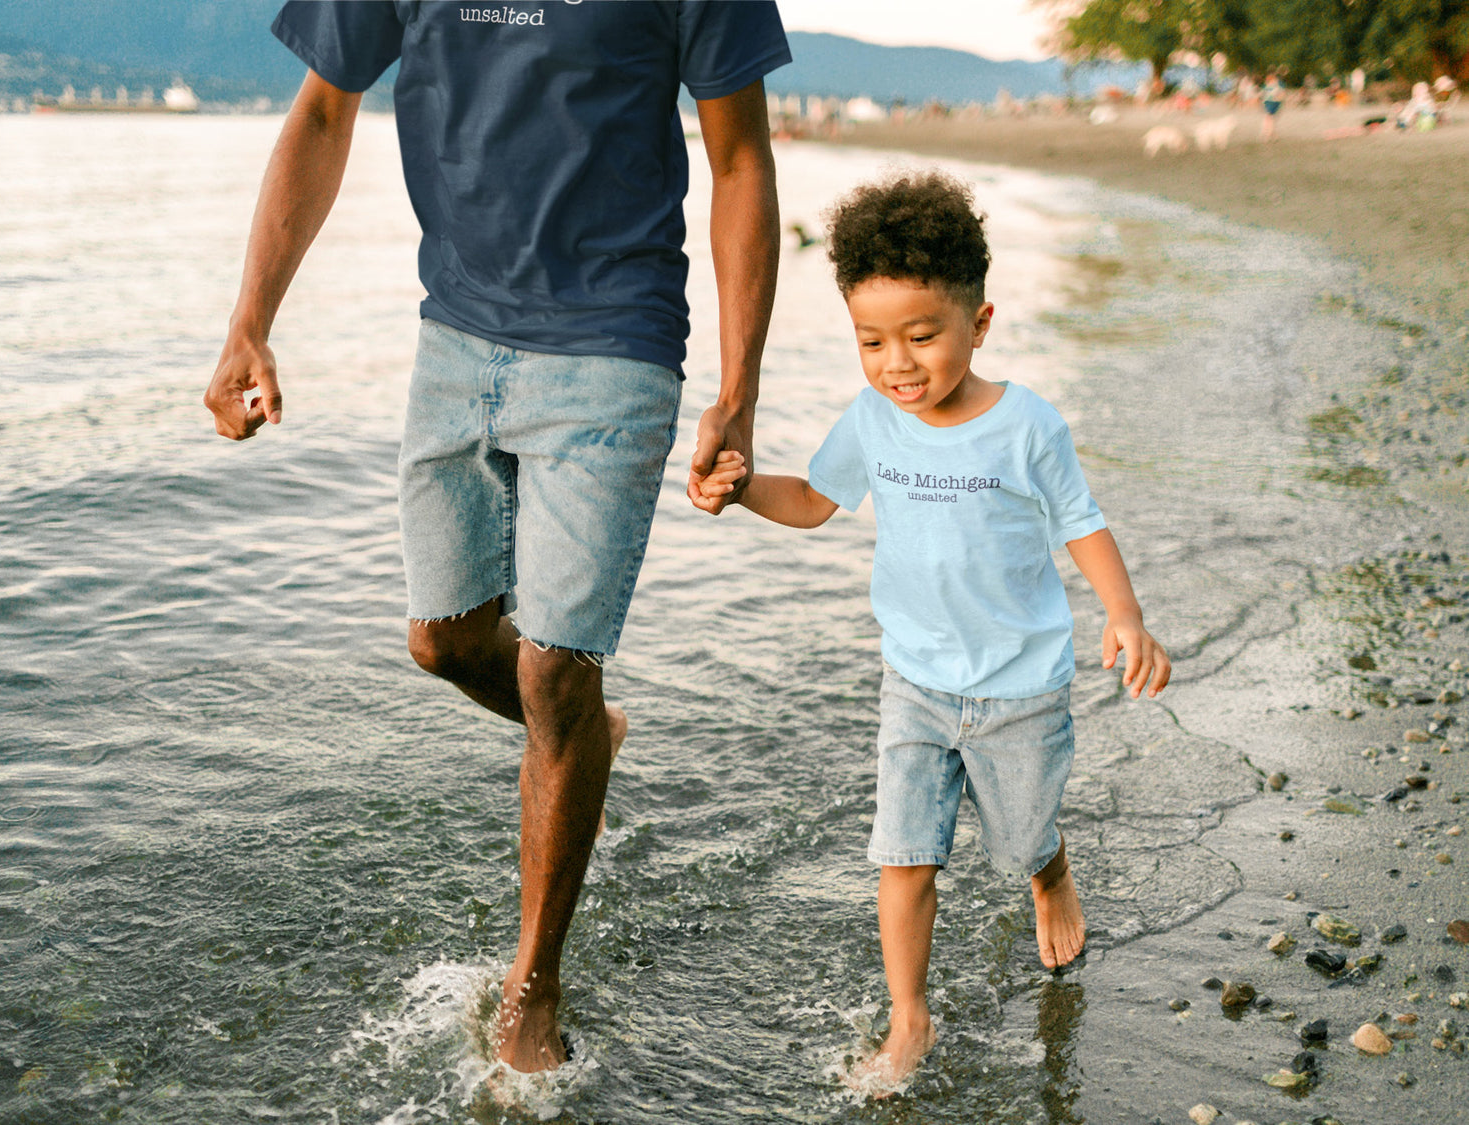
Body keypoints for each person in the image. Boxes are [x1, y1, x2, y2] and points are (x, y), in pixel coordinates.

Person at [203, 1, 789, 1074]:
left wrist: (740, 387)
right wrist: (252, 319)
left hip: (617, 338)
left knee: (557, 670)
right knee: (442, 638)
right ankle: (589, 739)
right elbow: (325, 112)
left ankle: (534, 987)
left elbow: (740, 158)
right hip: (455, 334)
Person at [689, 172, 1171, 1087]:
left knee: (1020, 835)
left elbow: (1081, 521)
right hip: (913, 679)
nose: (896, 363)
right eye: (871, 340)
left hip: (1021, 683)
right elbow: (815, 500)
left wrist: (1125, 614)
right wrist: (742, 488)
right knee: (904, 854)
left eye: (921, 336)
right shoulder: (873, 419)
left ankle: (1047, 869)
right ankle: (911, 1016)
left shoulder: (1026, 426)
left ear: (978, 324)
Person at [1261, 72, 1284, 140]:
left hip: (1269, 103)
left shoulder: (1267, 86)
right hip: (1273, 103)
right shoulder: (1275, 86)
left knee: (1269, 118)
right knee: (1271, 119)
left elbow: (1263, 95)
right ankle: (1269, 133)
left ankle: (1269, 133)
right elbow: (1280, 95)